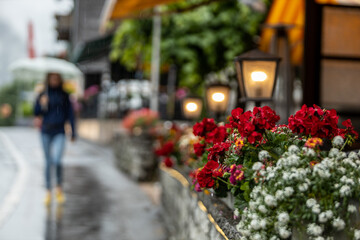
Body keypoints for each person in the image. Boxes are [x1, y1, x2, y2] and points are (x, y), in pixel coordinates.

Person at [34, 72, 76, 205]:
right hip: (45, 131)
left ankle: (58, 188)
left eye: (56, 78)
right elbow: (36, 112)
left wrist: (73, 132)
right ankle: (48, 191)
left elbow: (71, 115)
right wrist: (41, 104)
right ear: (48, 79)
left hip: (60, 131)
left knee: (57, 160)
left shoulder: (65, 95)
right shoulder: (43, 94)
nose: (54, 80)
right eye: (52, 78)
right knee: (47, 162)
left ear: (60, 79)